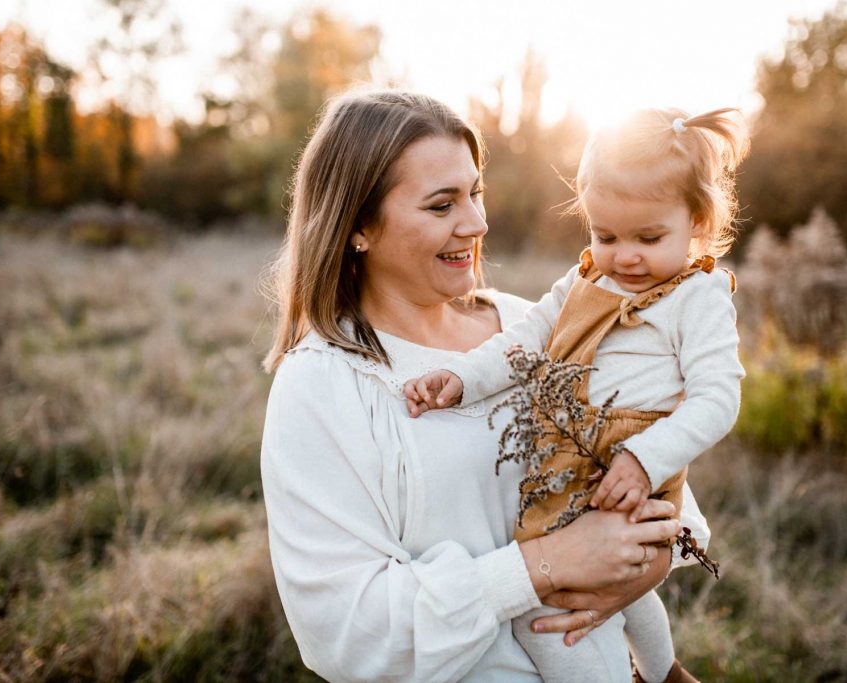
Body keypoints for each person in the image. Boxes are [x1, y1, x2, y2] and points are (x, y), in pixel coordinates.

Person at [259, 89, 707, 682]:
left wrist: (644, 566)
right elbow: (346, 633)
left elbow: (668, 494)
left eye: (475, 193)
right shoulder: (322, 386)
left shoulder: (537, 328)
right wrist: (544, 565)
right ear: (358, 226)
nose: (477, 223)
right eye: (442, 205)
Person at [403, 108, 749, 682]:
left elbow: (718, 399)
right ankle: (664, 674)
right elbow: (526, 341)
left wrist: (645, 458)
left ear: (698, 221)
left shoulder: (700, 296)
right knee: (614, 586)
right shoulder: (587, 280)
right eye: (604, 235)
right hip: (568, 456)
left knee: (554, 610)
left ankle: (646, 671)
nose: (625, 256)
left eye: (649, 236)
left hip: (636, 462)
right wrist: (463, 378)